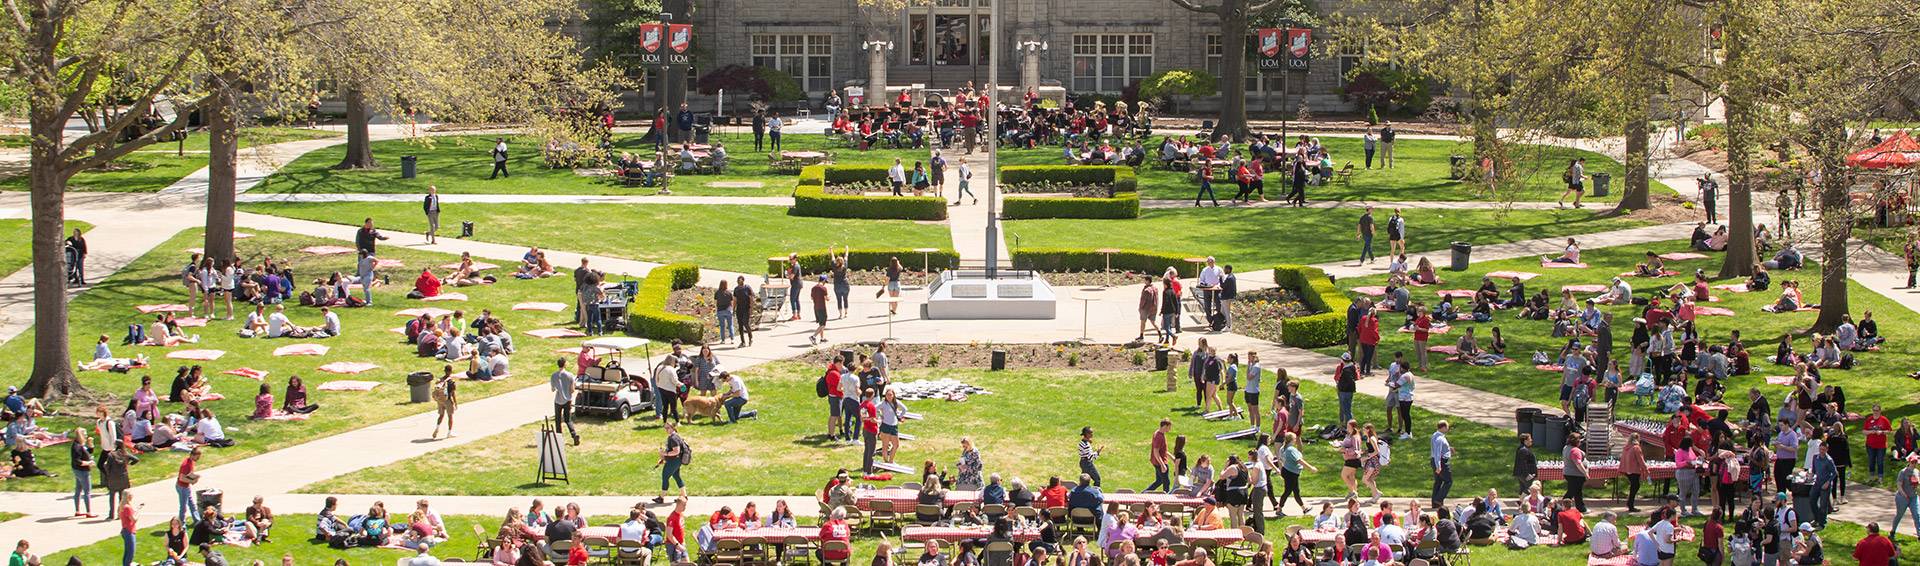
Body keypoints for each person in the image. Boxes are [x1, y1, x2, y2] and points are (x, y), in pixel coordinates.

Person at [656, 422, 689, 504]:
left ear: (673, 428)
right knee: (677, 477)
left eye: (668, 428)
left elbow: (676, 451)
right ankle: (684, 495)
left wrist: (664, 454)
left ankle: (661, 497)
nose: (666, 430)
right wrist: (663, 458)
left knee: (665, 476)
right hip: (676, 461)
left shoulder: (673, 438)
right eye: (665, 428)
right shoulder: (674, 436)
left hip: (673, 461)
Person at [549, 358, 579, 446]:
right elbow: (572, 390)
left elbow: (553, 389)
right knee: (568, 419)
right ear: (565, 364)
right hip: (567, 400)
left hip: (558, 401)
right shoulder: (570, 375)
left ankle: (559, 440)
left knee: (558, 421)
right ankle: (574, 435)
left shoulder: (553, 375)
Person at [1430, 420, 1453, 508]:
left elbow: (1440, 449)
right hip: (1441, 461)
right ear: (1443, 427)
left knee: (1438, 481)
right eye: (1447, 427)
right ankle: (1438, 500)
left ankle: (1435, 503)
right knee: (1448, 481)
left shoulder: (1435, 435)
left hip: (1436, 460)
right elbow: (1437, 453)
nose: (1448, 429)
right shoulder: (1439, 438)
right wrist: (1438, 466)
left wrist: (1449, 449)